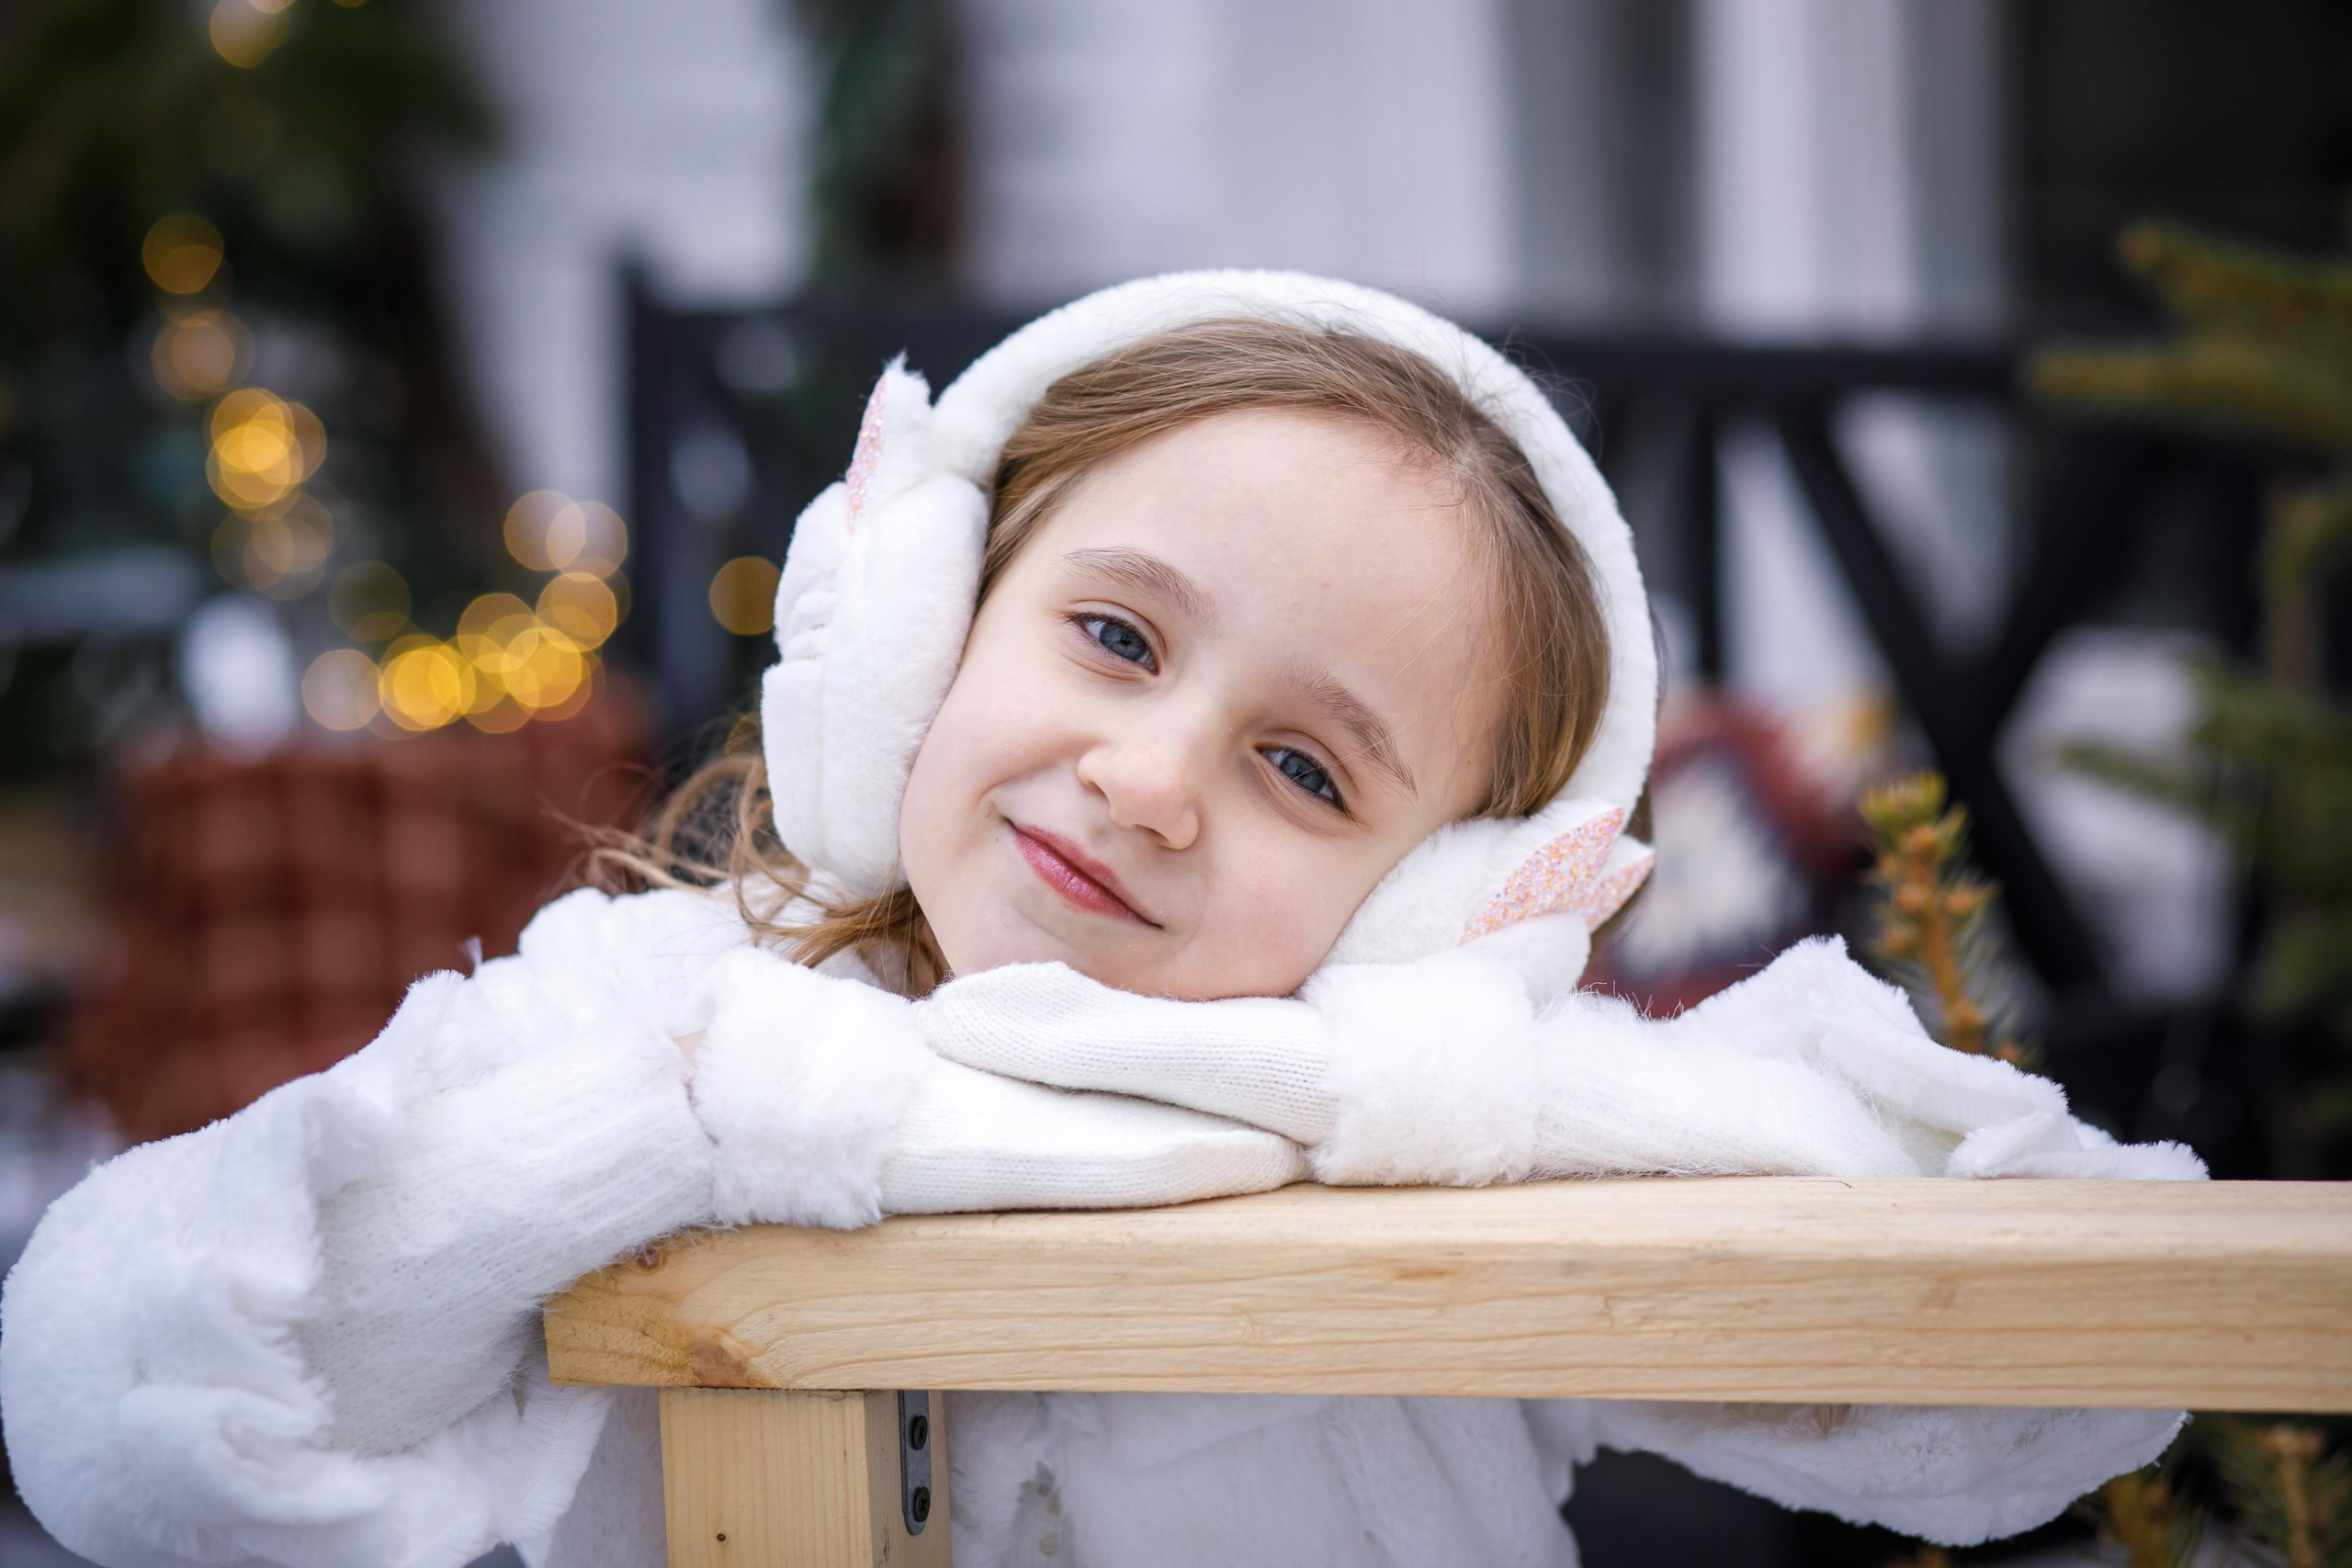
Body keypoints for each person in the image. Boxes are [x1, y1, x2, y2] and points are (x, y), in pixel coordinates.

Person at [1, 275, 2199, 1568]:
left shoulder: (1443, 1127)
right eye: (1118, 636)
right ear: (921, 621)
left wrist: (1479, 1097)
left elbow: (2058, 1384)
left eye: (1305, 769)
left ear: (1437, 904)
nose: (1148, 778)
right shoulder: (655, 1021)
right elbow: (111, 1411)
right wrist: (699, 1119)